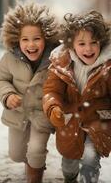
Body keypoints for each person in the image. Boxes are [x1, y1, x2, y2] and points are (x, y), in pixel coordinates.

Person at [43, 10, 111, 183]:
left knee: (90, 160)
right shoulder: (61, 64)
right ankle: (70, 177)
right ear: (71, 45)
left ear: (101, 42)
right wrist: (53, 107)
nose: (88, 48)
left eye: (93, 42)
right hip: (69, 121)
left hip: (98, 122)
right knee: (69, 162)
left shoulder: (108, 66)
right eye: (82, 43)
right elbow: (52, 91)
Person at [0, 0, 59, 183]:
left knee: (35, 150)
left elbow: (64, 83)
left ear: (46, 38)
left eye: (37, 39)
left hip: (42, 114)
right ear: (17, 39)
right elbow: (1, 79)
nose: (31, 45)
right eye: (25, 39)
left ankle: (35, 171)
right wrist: (7, 95)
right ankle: (32, 163)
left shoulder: (55, 58)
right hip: (18, 113)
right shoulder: (10, 58)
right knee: (17, 154)